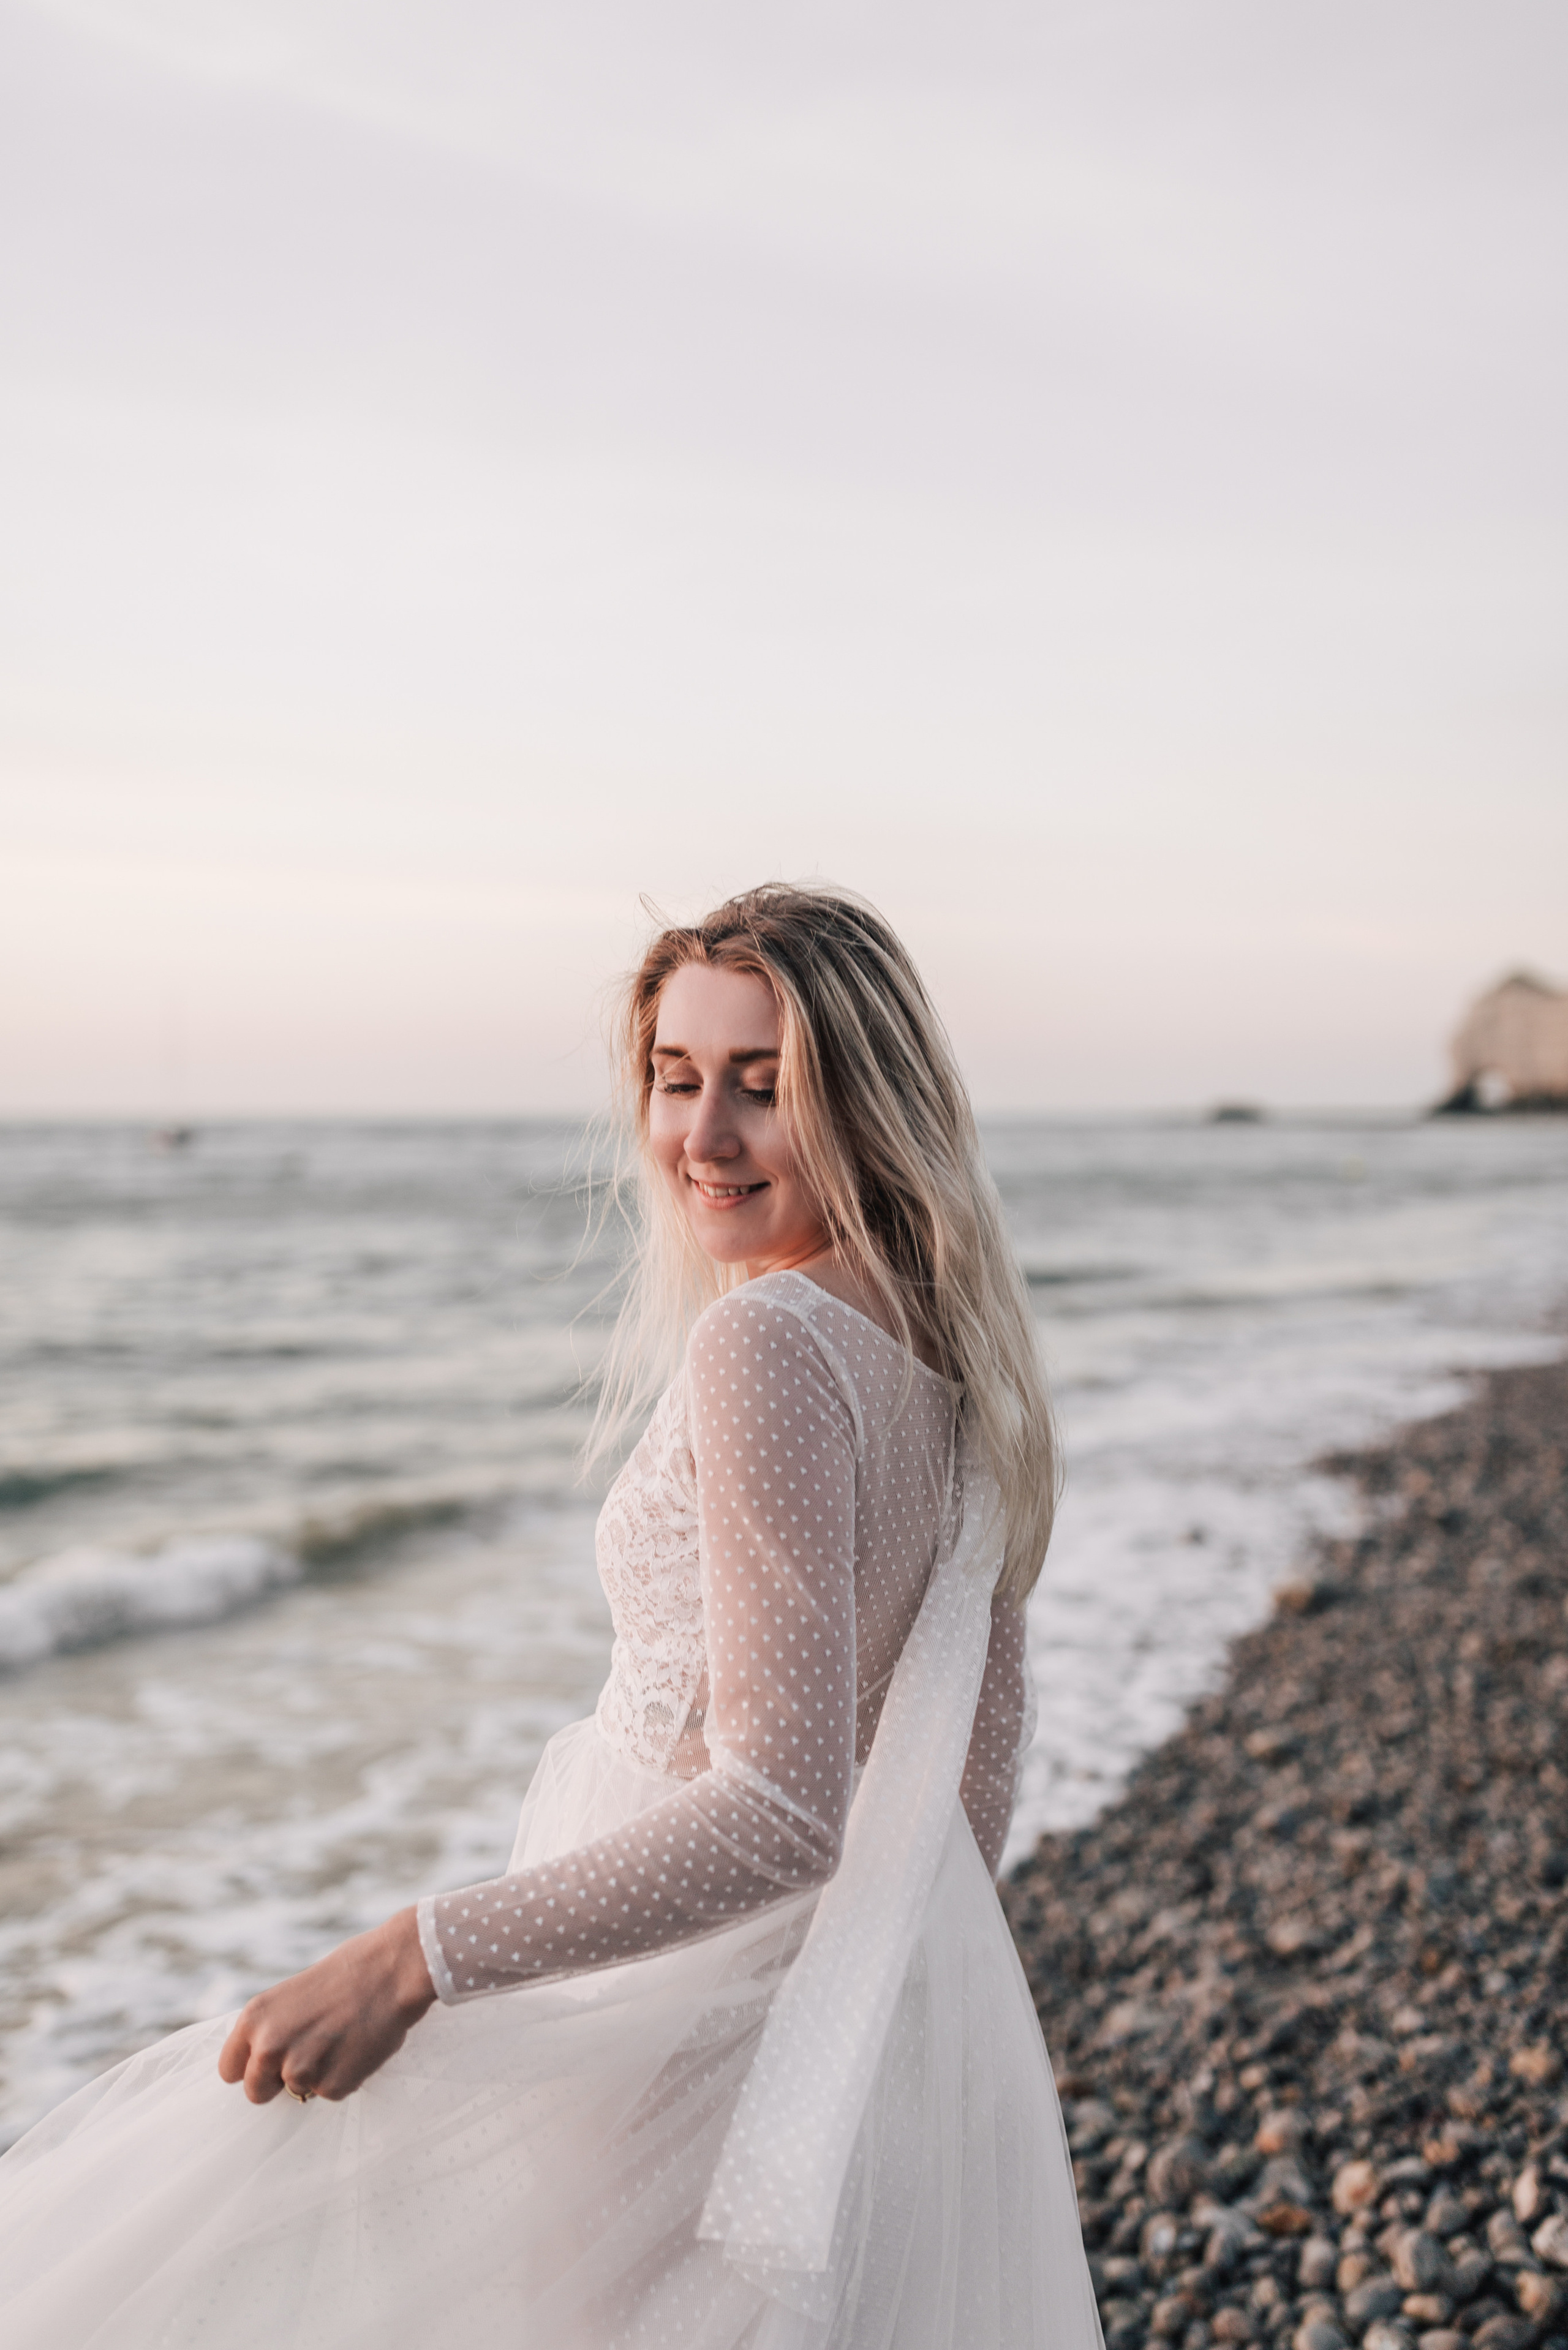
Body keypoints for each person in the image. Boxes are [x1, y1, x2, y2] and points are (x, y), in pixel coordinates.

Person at [0, 884, 1102, 2350]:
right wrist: (854, 2034)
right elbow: (973, 1775)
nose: (703, 1136)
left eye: (762, 1086)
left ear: (867, 1100)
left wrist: (409, 1957)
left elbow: (779, 1813)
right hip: (823, 2002)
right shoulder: (953, 1350)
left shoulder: (769, 1342)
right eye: (674, 1077)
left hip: (673, 2003)